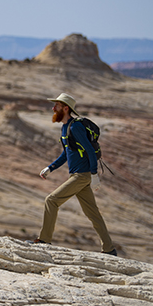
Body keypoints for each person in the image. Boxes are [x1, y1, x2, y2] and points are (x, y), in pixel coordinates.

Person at [31, 93, 117, 255]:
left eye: (56, 105)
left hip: (82, 175)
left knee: (51, 200)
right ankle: (109, 249)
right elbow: (66, 153)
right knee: (93, 214)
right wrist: (51, 168)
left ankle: (44, 240)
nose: (53, 108)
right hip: (78, 175)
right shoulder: (65, 128)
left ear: (65, 108)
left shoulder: (75, 127)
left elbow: (90, 151)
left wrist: (94, 175)